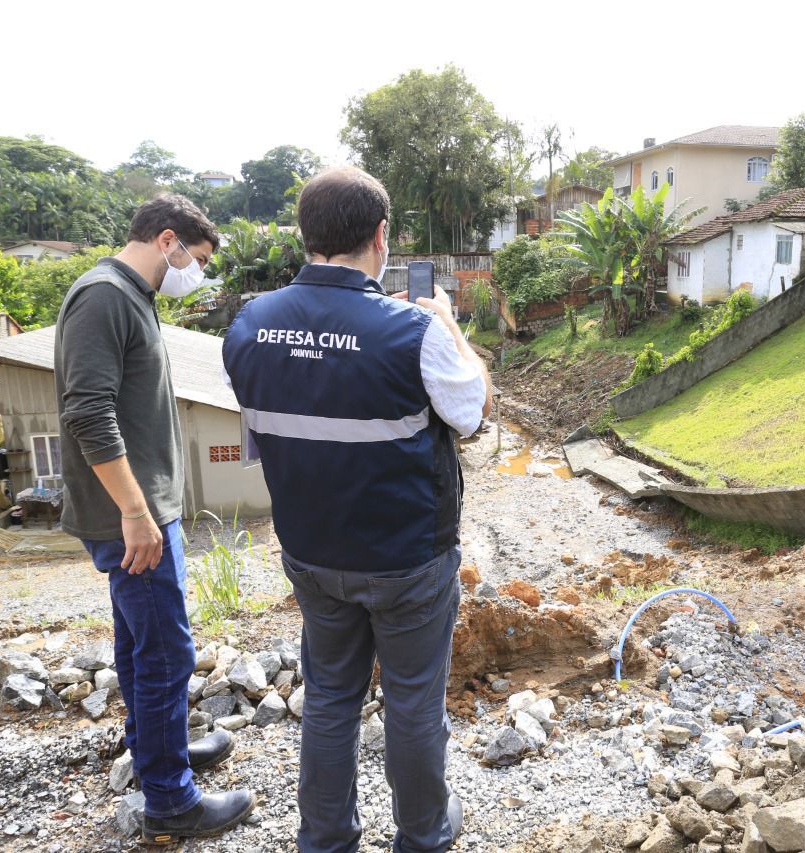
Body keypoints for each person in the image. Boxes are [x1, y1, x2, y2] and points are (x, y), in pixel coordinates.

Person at [222, 167, 490, 853]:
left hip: (312, 553)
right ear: (380, 237)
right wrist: (452, 329)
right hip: (408, 560)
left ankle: (327, 838)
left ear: (305, 236)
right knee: (411, 702)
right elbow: (474, 413)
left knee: (332, 698)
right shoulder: (412, 331)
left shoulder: (248, 326)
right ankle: (423, 835)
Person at [55, 194, 255, 844]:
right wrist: (135, 511)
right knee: (169, 651)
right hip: (131, 519)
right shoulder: (104, 296)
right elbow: (88, 410)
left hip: (140, 512)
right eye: (193, 259)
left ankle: (155, 755)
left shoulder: (131, 295)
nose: (193, 271)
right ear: (166, 239)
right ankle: (171, 801)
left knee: (142, 648)